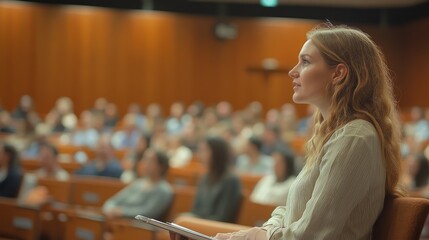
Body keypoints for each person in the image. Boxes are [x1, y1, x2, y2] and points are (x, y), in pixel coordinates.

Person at [171, 25, 403, 240]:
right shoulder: (337, 135)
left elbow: (312, 234)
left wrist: (255, 237)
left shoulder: (354, 137)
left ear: (338, 73)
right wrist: (261, 232)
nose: (293, 72)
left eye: (305, 62)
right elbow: (290, 211)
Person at [102, 149, 173, 219]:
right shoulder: (138, 183)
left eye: (150, 160)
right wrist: (110, 209)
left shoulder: (163, 190)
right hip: (118, 223)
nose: (144, 163)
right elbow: (113, 201)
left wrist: (122, 212)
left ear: (161, 166)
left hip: (138, 228)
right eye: (144, 159)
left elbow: (148, 212)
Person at [186, 137, 242, 223]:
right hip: (198, 224)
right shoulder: (204, 177)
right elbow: (196, 210)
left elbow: (223, 217)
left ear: (216, 153)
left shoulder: (231, 180)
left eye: (204, 151)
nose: (199, 155)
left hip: (214, 230)